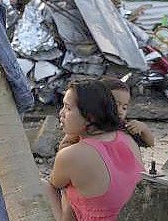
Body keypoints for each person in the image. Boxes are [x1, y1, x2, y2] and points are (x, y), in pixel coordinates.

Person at [45, 80, 143, 221]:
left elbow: (55, 184)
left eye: (68, 108)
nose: (61, 113)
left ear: (90, 117)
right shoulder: (126, 138)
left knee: (44, 187)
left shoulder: (71, 155)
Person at [60, 77, 155, 149]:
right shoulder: (84, 127)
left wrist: (143, 129)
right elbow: (64, 147)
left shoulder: (125, 127)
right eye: (115, 104)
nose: (120, 110)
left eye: (124, 107)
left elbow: (150, 143)